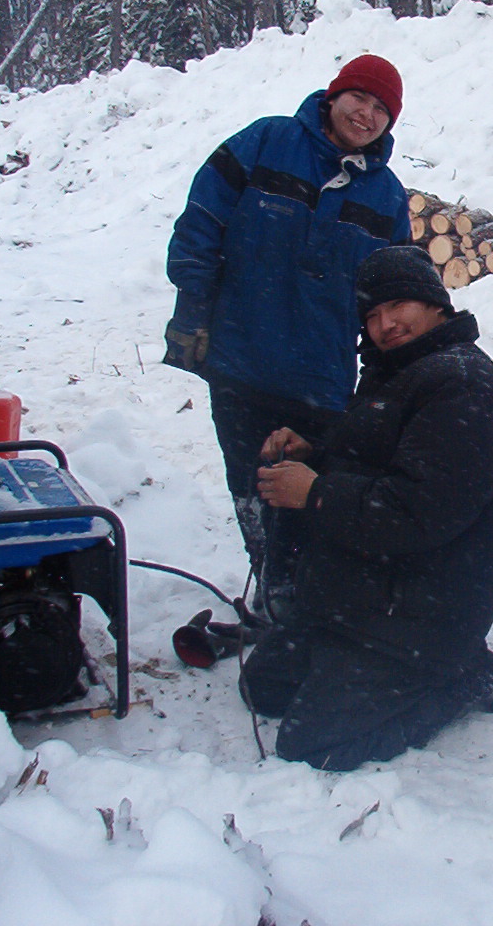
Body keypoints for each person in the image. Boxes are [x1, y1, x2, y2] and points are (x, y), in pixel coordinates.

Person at [241, 245, 493, 771]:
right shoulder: (400, 373)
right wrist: (316, 457)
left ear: (435, 303)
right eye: (371, 315)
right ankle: (358, 660)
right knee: (264, 688)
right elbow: (377, 462)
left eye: (398, 306)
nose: (385, 325)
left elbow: (419, 511)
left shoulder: (462, 385)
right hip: (366, 589)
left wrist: (315, 492)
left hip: (422, 611)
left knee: (314, 745)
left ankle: (463, 679)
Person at [163, 55, 413, 616]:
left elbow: (391, 291)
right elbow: (202, 220)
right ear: (334, 96)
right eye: (361, 100)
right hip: (239, 357)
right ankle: (272, 584)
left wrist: (388, 373)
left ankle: (298, 603)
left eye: (382, 110)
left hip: (319, 379)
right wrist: (194, 307)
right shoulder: (268, 141)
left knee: (302, 493)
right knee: (249, 485)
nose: (368, 116)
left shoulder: (387, 197)